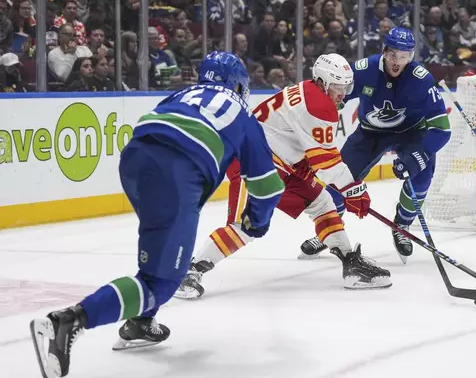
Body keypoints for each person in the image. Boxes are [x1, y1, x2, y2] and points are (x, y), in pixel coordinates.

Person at [29, 52, 284, 378]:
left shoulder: (181, 94)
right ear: (239, 83)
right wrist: (256, 222)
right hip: (177, 172)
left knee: (163, 253)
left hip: (135, 160)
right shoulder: (243, 114)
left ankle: (141, 322)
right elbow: (267, 186)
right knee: (162, 281)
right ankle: (66, 321)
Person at [174, 53, 391, 300]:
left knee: (323, 202)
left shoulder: (314, 94)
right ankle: (190, 271)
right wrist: (354, 189)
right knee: (246, 225)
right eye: (338, 87)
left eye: (346, 87)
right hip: (252, 160)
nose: (343, 94)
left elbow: (301, 143)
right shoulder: (317, 105)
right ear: (321, 82)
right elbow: (328, 164)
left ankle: (350, 263)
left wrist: (318, 172)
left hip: (281, 163)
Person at [300, 27, 451, 264]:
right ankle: (328, 231)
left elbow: (442, 130)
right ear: (384, 52)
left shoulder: (421, 79)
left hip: (411, 134)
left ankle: (401, 225)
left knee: (422, 177)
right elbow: (335, 94)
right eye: (393, 55)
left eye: (404, 56)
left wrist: (415, 158)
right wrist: (330, 105)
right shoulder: (364, 70)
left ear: (411, 56)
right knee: (338, 178)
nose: (397, 62)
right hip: (370, 133)